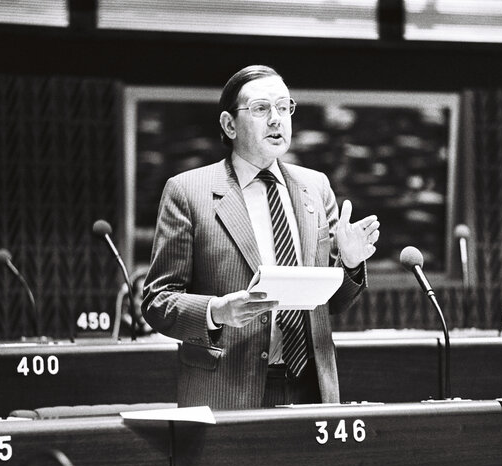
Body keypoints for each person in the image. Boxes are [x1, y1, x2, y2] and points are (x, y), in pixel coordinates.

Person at [141, 65, 380, 409]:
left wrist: (352, 265)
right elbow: (157, 301)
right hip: (226, 390)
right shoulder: (187, 191)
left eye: (284, 108)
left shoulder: (316, 187)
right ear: (229, 124)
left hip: (311, 388)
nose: (276, 119)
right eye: (261, 109)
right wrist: (216, 311)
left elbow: (330, 305)